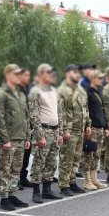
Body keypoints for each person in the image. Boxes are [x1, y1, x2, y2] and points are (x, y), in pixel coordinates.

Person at [0, 64, 30, 211]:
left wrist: (27, 136)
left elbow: (26, 117)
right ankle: (4, 198)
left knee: (16, 169)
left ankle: (12, 194)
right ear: (8, 75)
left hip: (20, 137)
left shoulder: (20, 93)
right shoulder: (1, 94)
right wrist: (5, 139)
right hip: (9, 139)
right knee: (5, 169)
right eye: (16, 74)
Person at [28, 64, 64, 203]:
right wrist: (39, 136)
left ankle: (47, 190)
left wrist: (60, 132)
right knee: (39, 161)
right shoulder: (35, 91)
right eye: (48, 73)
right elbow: (34, 115)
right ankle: (36, 191)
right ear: (41, 74)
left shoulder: (54, 91)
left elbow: (59, 112)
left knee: (51, 161)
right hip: (44, 130)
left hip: (54, 130)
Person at [58, 65, 91, 194]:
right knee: (67, 158)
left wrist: (88, 125)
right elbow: (61, 112)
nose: (77, 75)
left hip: (80, 129)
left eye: (78, 73)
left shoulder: (81, 90)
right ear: (67, 73)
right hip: (70, 130)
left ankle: (72, 181)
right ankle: (64, 184)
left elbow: (85, 109)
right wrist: (64, 130)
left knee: (76, 158)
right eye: (74, 72)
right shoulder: (62, 90)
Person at [82, 70, 109, 190]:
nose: (101, 80)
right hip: (92, 127)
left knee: (97, 155)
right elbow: (85, 111)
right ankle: (87, 180)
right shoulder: (87, 92)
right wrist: (87, 126)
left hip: (100, 128)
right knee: (89, 155)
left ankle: (94, 178)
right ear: (92, 79)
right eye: (99, 78)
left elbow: (103, 111)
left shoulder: (99, 92)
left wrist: (106, 126)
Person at [18, 67, 33, 189]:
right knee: (18, 154)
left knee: (26, 153)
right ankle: (16, 178)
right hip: (18, 127)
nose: (27, 78)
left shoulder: (29, 89)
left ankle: (23, 176)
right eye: (25, 75)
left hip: (29, 125)